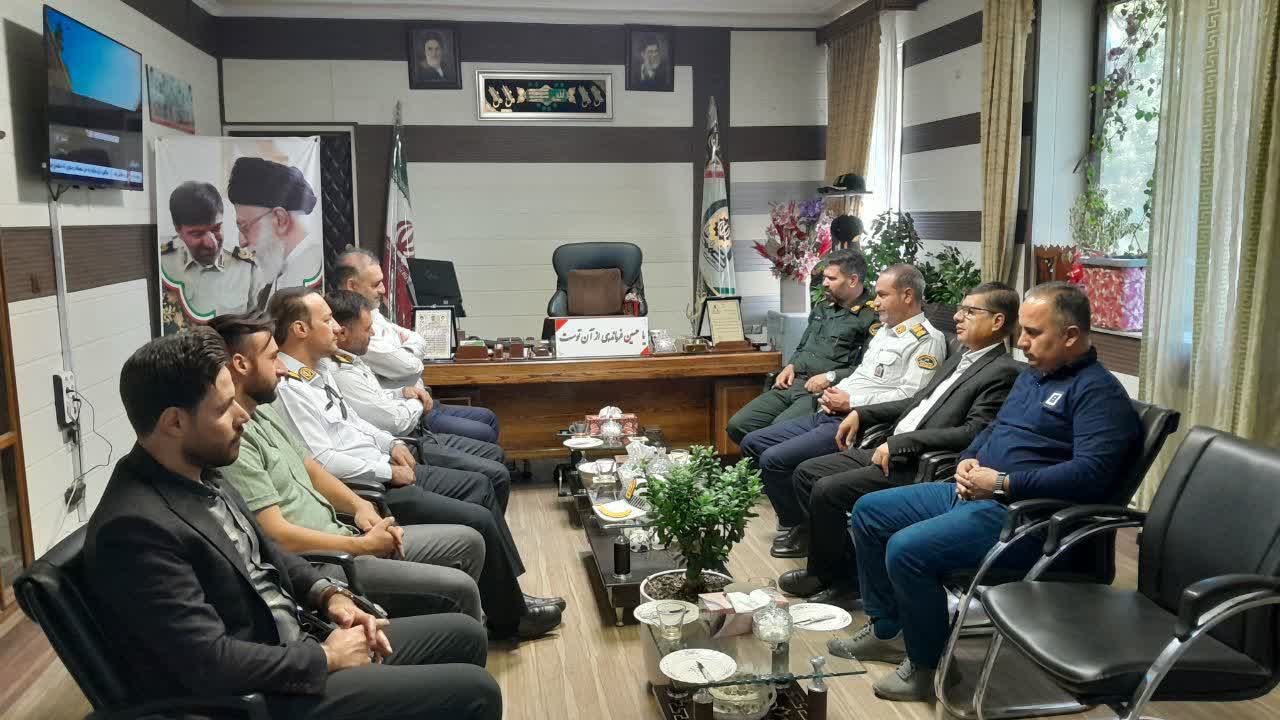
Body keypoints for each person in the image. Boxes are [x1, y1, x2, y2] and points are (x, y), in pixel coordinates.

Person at [85, 330, 502, 720]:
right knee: (476, 691)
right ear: (174, 423)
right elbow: (207, 661)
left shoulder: (197, 468)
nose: (241, 416)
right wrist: (327, 657)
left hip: (298, 638)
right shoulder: (135, 530)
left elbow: (267, 550)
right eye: (223, 408)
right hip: (271, 693)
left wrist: (329, 594)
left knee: (464, 634)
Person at [831, 282, 1141, 702]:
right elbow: (994, 429)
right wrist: (969, 459)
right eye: (1022, 331)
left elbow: (1091, 475)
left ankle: (928, 666)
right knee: (869, 511)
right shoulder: (1033, 376)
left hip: (1028, 521)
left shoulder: (1098, 393)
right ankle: (889, 631)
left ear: (1070, 335)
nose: (1022, 342)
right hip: (975, 493)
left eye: (1033, 333)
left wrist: (1001, 482)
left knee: (907, 550)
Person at [266, 287, 562, 640]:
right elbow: (323, 460)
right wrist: (387, 470)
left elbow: (354, 423)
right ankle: (510, 617)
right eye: (327, 320)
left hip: (383, 465)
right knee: (478, 515)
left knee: (482, 484)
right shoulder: (289, 388)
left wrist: (390, 443)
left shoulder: (315, 372)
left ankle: (507, 599)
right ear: (300, 329)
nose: (336, 328)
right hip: (371, 487)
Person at [211, 312, 486, 622]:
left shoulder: (262, 411)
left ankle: (460, 632)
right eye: (273, 357)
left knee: (470, 542)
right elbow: (277, 536)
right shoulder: (235, 440)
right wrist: (360, 545)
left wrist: (360, 506)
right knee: (460, 588)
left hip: (345, 532)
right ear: (241, 364)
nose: (283, 368)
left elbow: (312, 467)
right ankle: (459, 636)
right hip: (323, 564)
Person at [777, 282, 1022, 608]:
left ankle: (841, 580)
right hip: (893, 443)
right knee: (806, 473)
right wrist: (862, 413)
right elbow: (917, 401)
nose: (957, 317)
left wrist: (901, 443)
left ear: (997, 321)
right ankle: (838, 569)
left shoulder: (1003, 371)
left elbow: (972, 432)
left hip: (919, 460)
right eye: (960, 309)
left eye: (969, 311)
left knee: (827, 490)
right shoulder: (962, 356)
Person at [740, 264, 947, 558]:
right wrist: (834, 390)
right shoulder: (886, 331)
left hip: (858, 423)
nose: (875, 302)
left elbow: (911, 398)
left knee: (774, 460)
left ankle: (806, 529)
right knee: (753, 442)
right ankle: (801, 521)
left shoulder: (926, 340)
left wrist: (851, 402)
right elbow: (862, 374)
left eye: (882, 295)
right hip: (831, 409)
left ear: (908, 295)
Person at [324, 289, 511, 509]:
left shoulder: (352, 358)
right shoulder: (340, 370)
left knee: (493, 454)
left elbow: (375, 401)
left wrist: (400, 393)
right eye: (367, 329)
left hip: (401, 437)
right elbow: (395, 416)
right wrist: (417, 403)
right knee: (491, 477)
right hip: (400, 446)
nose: (373, 332)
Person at [334, 248, 500, 444]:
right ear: (352, 285)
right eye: (376, 284)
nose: (384, 290)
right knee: (484, 432)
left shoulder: (372, 313)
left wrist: (403, 350)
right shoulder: (350, 328)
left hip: (418, 400)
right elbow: (409, 366)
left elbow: (418, 339)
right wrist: (405, 349)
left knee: (489, 418)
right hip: (405, 411)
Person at [726, 249, 878, 445]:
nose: (824, 283)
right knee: (738, 425)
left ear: (853, 280)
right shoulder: (823, 307)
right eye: (825, 277)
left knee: (774, 433)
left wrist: (830, 377)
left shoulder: (871, 317)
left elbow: (869, 370)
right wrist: (790, 365)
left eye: (831, 278)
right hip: (794, 382)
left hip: (823, 392)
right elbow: (803, 345)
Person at [227, 156, 323, 310]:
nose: (242, 242)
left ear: (280, 219)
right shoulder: (275, 276)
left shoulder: (315, 273)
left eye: (245, 228)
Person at [160, 180, 257, 317]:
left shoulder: (246, 267)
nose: (212, 244)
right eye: (197, 234)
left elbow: (258, 322)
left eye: (216, 228)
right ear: (178, 231)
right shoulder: (162, 263)